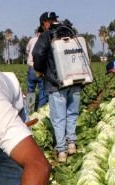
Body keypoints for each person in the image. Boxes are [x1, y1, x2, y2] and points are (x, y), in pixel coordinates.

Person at [32, 11, 82, 163]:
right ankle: (72, 144)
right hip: (76, 81)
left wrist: (40, 70)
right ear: (56, 20)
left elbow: (38, 53)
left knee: (59, 118)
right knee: (72, 113)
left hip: (56, 83)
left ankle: (61, 151)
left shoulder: (47, 35)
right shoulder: (70, 31)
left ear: (45, 23)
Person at [25, 25, 48, 113]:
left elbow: (27, 51)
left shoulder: (32, 40)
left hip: (31, 68)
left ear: (37, 32)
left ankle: (29, 111)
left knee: (31, 90)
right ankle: (40, 112)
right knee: (42, 91)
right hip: (41, 69)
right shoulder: (45, 40)